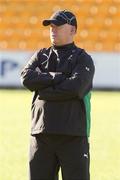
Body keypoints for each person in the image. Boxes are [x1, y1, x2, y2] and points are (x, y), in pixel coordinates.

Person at [21, 9, 95, 180]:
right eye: (51, 26)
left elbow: (76, 88)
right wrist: (57, 77)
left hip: (73, 135)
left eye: (58, 26)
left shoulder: (83, 59)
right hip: (41, 135)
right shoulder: (41, 55)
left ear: (73, 30)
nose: (53, 29)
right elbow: (27, 78)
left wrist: (43, 90)